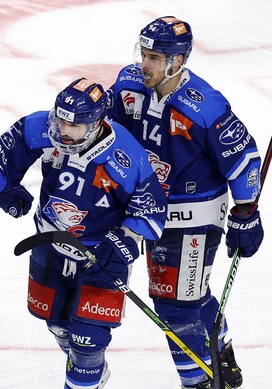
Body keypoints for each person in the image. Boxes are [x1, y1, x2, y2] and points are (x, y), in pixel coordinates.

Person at [0, 78, 167, 388]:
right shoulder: (42, 128)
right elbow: (1, 158)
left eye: (75, 125)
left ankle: (87, 371)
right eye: (60, 119)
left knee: (88, 340)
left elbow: (150, 209)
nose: (63, 130)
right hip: (49, 242)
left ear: (97, 123)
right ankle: (87, 369)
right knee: (57, 322)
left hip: (99, 255)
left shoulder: (124, 156)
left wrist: (123, 243)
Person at [105, 16, 264, 389]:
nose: (145, 63)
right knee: (187, 296)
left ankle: (200, 383)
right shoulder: (128, 86)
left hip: (194, 214)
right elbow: (107, 135)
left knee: (175, 305)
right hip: (149, 211)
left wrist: (246, 213)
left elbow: (244, 160)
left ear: (178, 61)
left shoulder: (203, 106)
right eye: (143, 53)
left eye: (155, 57)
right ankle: (219, 353)